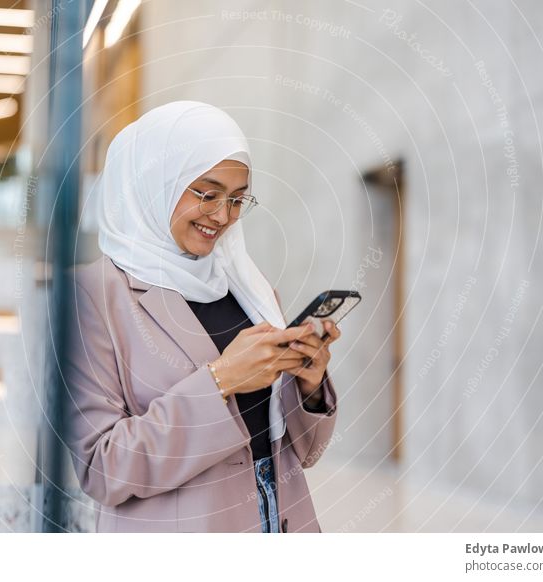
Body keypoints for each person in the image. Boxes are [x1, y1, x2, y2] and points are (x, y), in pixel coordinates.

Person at [64, 100, 341, 533]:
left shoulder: (249, 285)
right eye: (207, 193)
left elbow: (301, 452)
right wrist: (221, 379)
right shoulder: (93, 295)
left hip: (281, 516)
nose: (222, 216)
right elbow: (103, 467)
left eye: (236, 200)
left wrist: (308, 386)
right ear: (154, 183)